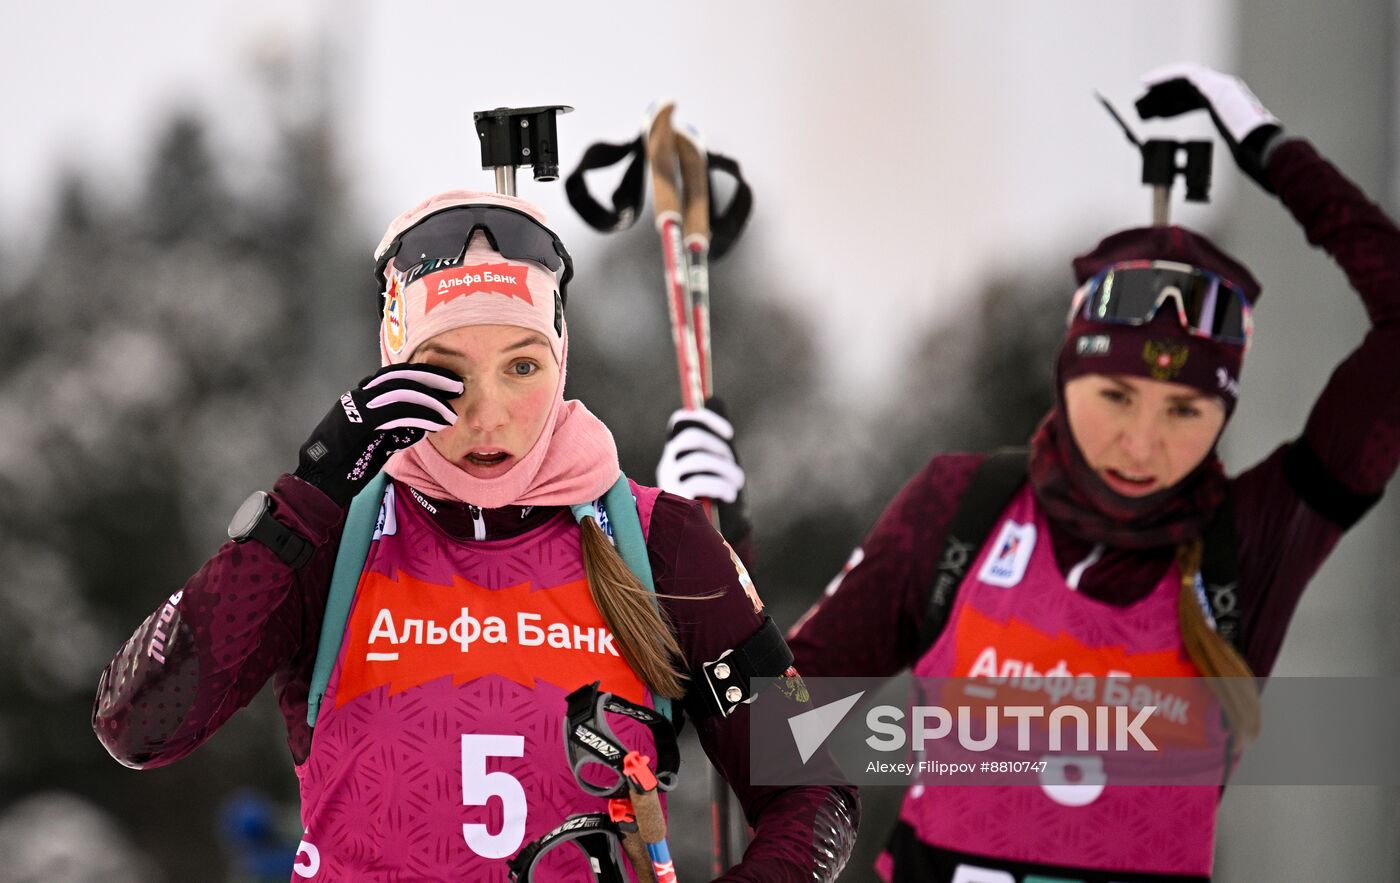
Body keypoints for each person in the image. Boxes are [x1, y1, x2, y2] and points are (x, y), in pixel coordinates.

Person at [658, 64, 1399, 881]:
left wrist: (1270, 148)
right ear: (1068, 377)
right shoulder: (964, 508)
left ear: (1222, 417)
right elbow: (776, 730)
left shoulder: (1251, 541)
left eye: (1185, 412)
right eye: (1116, 394)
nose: (1143, 441)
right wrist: (721, 556)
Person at [92, 189, 857, 882]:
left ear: (561, 358)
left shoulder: (655, 539)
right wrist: (302, 502)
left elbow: (816, 782)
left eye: (521, 366)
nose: (486, 415)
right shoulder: (333, 537)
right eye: (444, 372)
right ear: (393, 364)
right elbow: (137, 722)